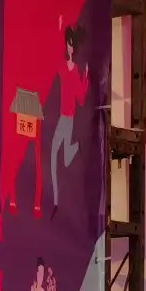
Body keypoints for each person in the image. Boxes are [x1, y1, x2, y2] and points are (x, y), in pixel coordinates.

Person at [49, 21, 90, 218]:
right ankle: (55, 201)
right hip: (62, 118)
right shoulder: (62, 67)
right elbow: (55, 59)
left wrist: (85, 78)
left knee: (65, 159)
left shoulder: (76, 71)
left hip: (69, 119)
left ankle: (76, 146)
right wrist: (59, 25)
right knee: (53, 154)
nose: (69, 47)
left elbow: (81, 98)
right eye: (68, 44)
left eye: (72, 44)